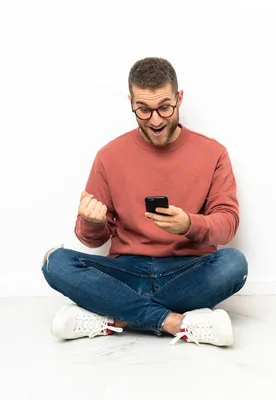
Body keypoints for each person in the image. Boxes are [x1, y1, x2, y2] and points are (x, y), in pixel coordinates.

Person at [41, 57, 248, 347]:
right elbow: (90, 239)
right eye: (143, 109)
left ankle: (115, 317)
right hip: (126, 271)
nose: (155, 120)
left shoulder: (213, 153)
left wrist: (190, 224)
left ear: (179, 98)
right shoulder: (109, 156)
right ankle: (176, 322)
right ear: (131, 103)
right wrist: (91, 222)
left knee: (234, 263)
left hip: (187, 273)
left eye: (164, 107)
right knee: (55, 262)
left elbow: (227, 226)